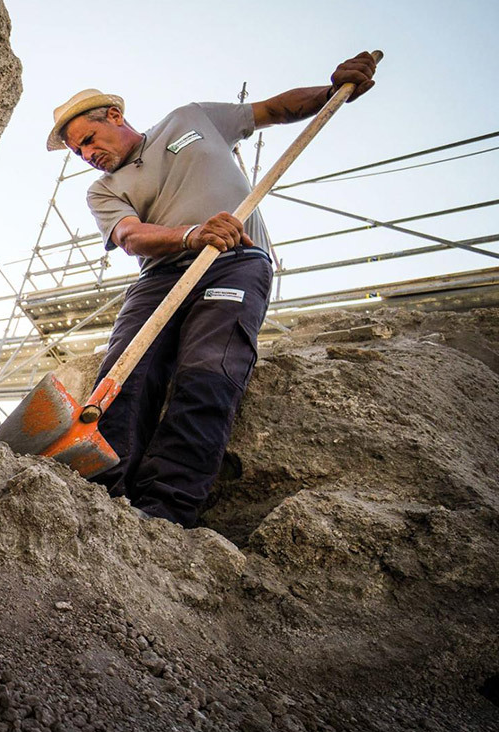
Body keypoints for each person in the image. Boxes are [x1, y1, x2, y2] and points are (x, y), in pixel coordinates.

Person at [46, 52, 378, 526]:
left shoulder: (190, 118)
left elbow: (275, 110)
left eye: (88, 140)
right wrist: (191, 233)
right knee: (124, 377)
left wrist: (330, 93)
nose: (87, 155)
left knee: (208, 373)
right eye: (78, 152)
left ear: (114, 117)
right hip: (161, 277)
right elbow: (130, 236)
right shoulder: (103, 189)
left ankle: (165, 511)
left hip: (235, 263)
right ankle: (106, 500)